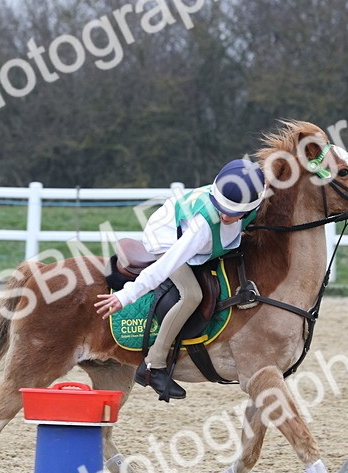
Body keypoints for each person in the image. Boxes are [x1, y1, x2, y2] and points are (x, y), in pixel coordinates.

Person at [95, 159, 267, 400]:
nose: (226, 215)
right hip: (166, 237)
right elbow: (165, 266)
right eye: (222, 208)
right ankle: (154, 365)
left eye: (234, 213)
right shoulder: (203, 228)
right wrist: (126, 296)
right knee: (192, 294)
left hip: (195, 232)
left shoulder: (255, 199)